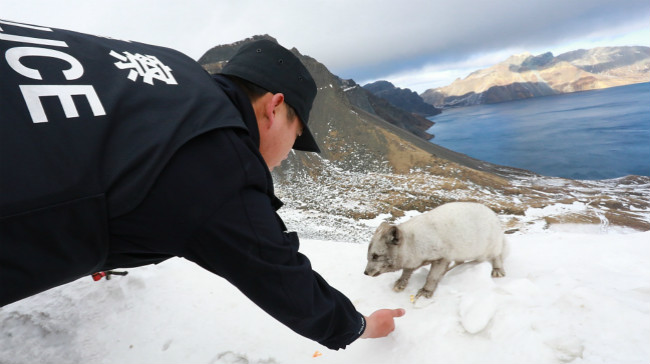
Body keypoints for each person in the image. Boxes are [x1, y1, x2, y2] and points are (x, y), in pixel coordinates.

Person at [0, 20, 404, 350]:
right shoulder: (220, 165)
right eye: (297, 135)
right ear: (275, 108)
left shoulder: (173, 69)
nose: (290, 151)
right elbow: (283, 280)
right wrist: (361, 326)